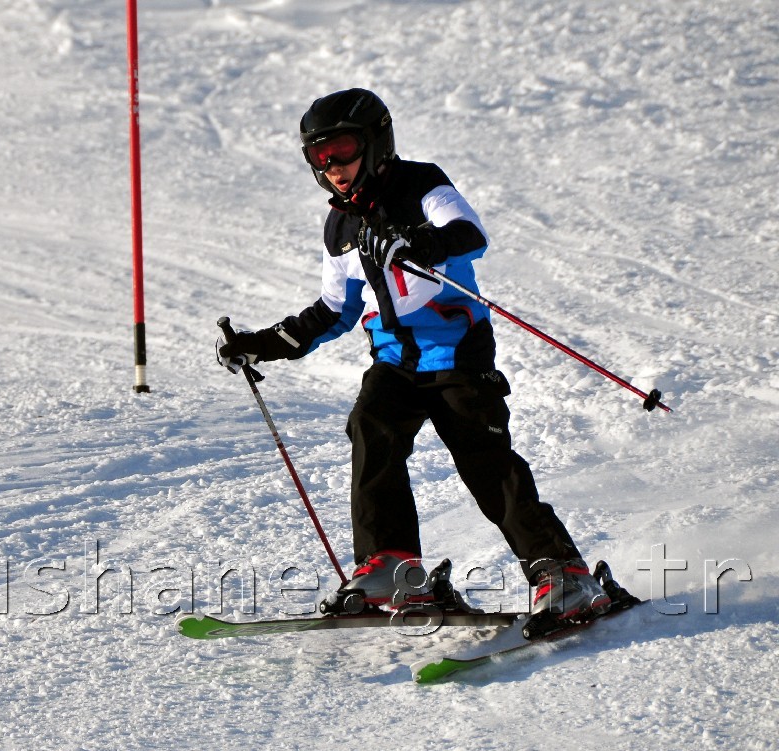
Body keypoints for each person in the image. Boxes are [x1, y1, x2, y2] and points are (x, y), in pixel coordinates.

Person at [216, 88, 610, 629]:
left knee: (486, 464)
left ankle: (564, 574)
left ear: (376, 141)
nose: (333, 166)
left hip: (458, 357)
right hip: (394, 363)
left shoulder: (420, 183)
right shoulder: (337, 227)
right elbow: (334, 310)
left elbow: (469, 235)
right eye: (319, 156)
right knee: (370, 426)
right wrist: (257, 343)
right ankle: (394, 567)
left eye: (344, 149)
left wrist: (420, 243)